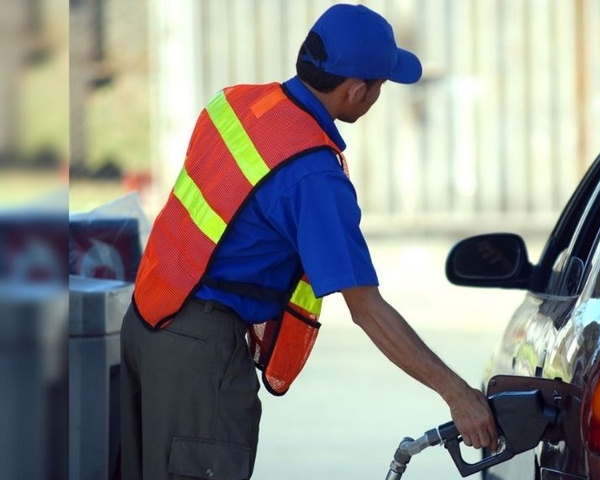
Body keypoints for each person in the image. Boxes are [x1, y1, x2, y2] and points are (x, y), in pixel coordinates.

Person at [120, 4, 498, 479]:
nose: (378, 96)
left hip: (148, 321)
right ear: (356, 91)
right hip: (199, 354)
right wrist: (458, 395)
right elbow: (367, 309)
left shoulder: (235, 103)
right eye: (380, 86)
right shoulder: (313, 173)